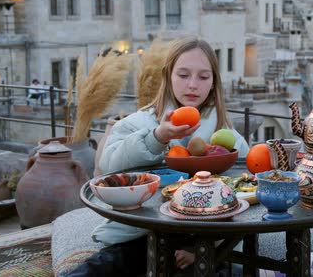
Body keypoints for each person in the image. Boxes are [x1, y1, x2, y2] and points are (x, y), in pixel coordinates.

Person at [68, 38, 250, 276]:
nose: (193, 85)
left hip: (205, 236)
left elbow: (247, 197)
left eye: (203, 77)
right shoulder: (139, 122)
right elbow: (108, 165)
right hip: (145, 231)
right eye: (183, 75)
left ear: (214, 81)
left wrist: (205, 247)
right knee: (103, 267)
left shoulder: (229, 138)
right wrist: (156, 137)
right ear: (168, 76)